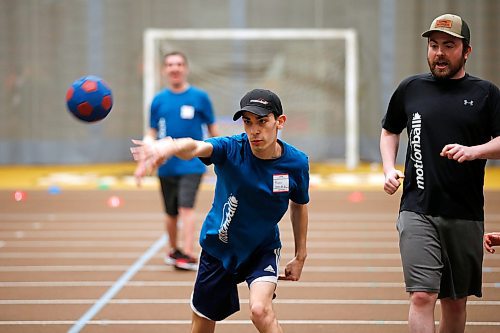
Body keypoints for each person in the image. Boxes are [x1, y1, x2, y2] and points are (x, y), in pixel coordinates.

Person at [131, 88, 309, 333]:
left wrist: (300, 255)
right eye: (248, 122)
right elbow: (194, 147)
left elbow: (299, 204)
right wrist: (168, 147)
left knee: (260, 310)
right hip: (219, 249)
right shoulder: (231, 148)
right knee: (202, 326)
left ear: (280, 122)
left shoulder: (296, 163)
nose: (254, 130)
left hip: (262, 249)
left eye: (262, 121)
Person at [380, 13, 500, 333]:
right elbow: (390, 131)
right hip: (417, 208)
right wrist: (388, 168)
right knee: (422, 294)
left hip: (465, 212)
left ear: (466, 51)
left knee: (455, 300)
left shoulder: (486, 93)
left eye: (449, 45)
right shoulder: (411, 88)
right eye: (434, 46)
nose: (439, 53)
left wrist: (475, 151)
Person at [137, 51, 219, 271]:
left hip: (192, 163)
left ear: (186, 68)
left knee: (186, 207)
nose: (175, 68)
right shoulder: (158, 100)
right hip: (166, 165)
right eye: (170, 64)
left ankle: (189, 253)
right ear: (165, 70)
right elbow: (152, 131)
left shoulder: (200, 97)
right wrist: (145, 155)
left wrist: (218, 156)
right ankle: (173, 251)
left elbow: (213, 130)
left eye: (179, 64)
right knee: (171, 212)